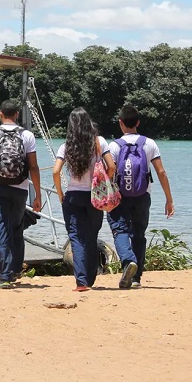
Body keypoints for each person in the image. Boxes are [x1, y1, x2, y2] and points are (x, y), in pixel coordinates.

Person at [106, 105, 175, 289]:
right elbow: (161, 171)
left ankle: (128, 261)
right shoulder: (149, 143)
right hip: (143, 195)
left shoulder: (114, 146)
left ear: (120, 123)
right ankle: (136, 279)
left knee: (119, 230)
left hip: (120, 197)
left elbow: (109, 172)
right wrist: (169, 199)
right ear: (138, 122)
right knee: (139, 234)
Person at [52, 107, 116, 292]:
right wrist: (105, 184)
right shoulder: (100, 143)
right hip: (95, 196)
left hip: (73, 196)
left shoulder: (66, 147)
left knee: (76, 238)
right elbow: (111, 166)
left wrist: (60, 193)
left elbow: (56, 171)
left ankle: (81, 282)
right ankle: (90, 278)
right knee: (91, 236)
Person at [0, 99, 42, 290]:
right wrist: (37, 195)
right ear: (17, 114)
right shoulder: (28, 136)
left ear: (1, 113)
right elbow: (33, 166)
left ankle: (5, 276)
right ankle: (15, 269)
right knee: (16, 227)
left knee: (1, 229)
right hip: (21, 189)